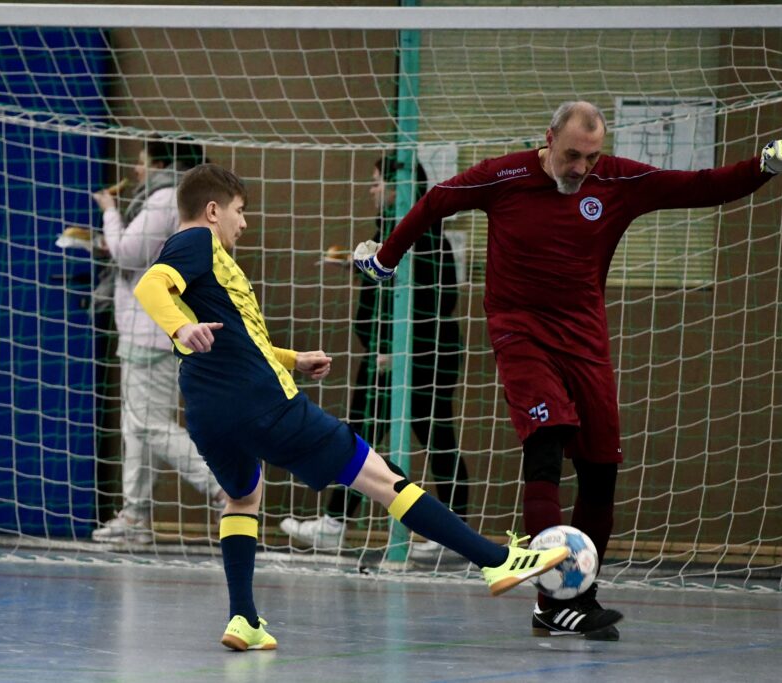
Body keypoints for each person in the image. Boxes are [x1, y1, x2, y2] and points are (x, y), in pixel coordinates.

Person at [353, 101, 782, 640]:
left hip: (584, 341)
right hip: (520, 332)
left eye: (591, 157)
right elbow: (436, 200)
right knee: (546, 439)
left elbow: (699, 186)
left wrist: (762, 166)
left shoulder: (617, 181)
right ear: (548, 138)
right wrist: (385, 259)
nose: (581, 167)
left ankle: (576, 598)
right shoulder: (503, 176)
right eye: (572, 155)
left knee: (601, 470)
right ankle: (553, 600)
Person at [132, 163, 569, 651]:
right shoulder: (196, 242)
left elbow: (240, 339)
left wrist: (294, 359)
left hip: (208, 412)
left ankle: (244, 620)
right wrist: (179, 327)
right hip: (261, 402)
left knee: (243, 499)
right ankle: (496, 561)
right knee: (383, 478)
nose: (244, 222)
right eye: (239, 211)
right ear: (213, 211)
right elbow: (149, 285)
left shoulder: (208, 267)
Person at [281, 156, 468, 559]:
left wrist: (401, 351)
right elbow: (389, 283)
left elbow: (436, 300)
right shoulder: (389, 230)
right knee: (365, 435)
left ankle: (454, 532)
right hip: (388, 353)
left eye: (377, 181)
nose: (372, 189)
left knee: (430, 437)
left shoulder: (424, 235)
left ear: (400, 187)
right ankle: (336, 523)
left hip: (416, 356)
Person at [90, 139, 224, 543]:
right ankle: (135, 515)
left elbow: (128, 253)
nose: (136, 169)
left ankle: (223, 486)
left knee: (149, 425)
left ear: (163, 164)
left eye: (142, 161)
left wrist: (109, 212)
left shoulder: (165, 198)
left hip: (150, 332)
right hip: (155, 330)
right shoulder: (183, 200)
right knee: (137, 427)